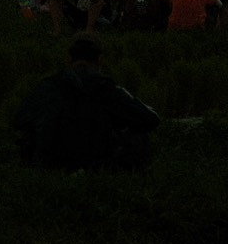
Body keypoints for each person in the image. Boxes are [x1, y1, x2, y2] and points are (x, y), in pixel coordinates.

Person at [13, 33, 160, 170]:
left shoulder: (48, 85)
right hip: (98, 164)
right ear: (100, 60)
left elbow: (19, 120)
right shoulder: (106, 88)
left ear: (69, 59)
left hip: (49, 163)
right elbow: (150, 119)